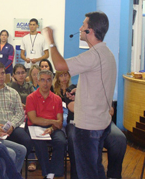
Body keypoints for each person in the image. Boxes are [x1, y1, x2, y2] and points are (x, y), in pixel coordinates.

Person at [46, 11, 117, 178]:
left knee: (87, 173)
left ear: (89, 31)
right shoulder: (108, 54)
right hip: (101, 123)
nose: (80, 28)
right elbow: (101, 83)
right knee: (95, 169)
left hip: (88, 127)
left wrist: (51, 42)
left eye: (83, 25)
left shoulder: (93, 55)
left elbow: (59, 65)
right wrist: (82, 91)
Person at [65, 88, 126, 179]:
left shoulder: (103, 88)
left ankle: (113, 175)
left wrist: (85, 105)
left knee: (119, 139)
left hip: (103, 122)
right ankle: (77, 176)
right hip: (78, 122)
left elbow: (111, 111)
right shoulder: (73, 89)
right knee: (75, 139)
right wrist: (97, 106)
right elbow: (73, 108)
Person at [26, 70, 66, 179]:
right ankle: (47, 173)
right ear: (38, 81)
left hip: (53, 129)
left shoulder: (57, 99)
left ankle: (51, 173)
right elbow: (34, 119)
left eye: (48, 80)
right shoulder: (31, 98)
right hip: (35, 127)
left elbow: (60, 122)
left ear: (52, 81)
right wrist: (53, 122)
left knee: (61, 141)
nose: (45, 83)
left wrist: (52, 128)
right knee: (40, 143)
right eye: (42, 80)